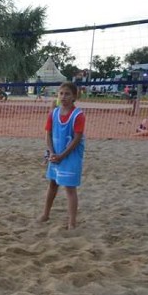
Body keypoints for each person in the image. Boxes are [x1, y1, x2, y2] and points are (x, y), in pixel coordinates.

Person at [38, 82, 85, 230]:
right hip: (55, 154)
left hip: (70, 155)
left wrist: (62, 155)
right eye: (61, 93)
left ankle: (72, 222)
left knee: (70, 188)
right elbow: (48, 134)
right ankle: (45, 214)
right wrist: (51, 153)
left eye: (67, 94)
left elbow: (77, 138)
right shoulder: (53, 113)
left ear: (74, 97)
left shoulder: (78, 115)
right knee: (53, 184)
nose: (63, 97)